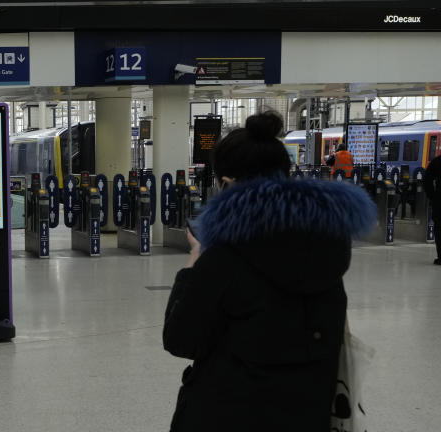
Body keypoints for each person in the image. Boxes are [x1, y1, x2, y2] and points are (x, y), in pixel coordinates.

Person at [163, 112, 376, 432]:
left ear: (228, 182)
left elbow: (181, 340)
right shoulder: (327, 247)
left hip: (228, 414)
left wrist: (194, 262)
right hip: (306, 413)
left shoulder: (224, 257)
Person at [423, 152, 441, 265]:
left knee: (439, 229)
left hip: (440, 202)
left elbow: (427, 179)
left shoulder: (437, 161)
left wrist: (432, 196)